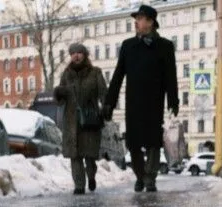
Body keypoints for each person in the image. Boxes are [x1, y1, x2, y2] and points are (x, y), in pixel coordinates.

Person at [103, 4, 179, 192]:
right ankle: (140, 175)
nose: (136, 22)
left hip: (154, 102)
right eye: (136, 19)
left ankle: (150, 177)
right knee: (134, 143)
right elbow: (118, 75)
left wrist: (173, 102)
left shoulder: (165, 47)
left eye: (140, 18)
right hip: (133, 102)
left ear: (151, 22)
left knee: (153, 142)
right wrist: (109, 102)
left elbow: (171, 76)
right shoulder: (128, 46)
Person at [54, 43, 107, 195]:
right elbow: (60, 100)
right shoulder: (66, 74)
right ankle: (79, 185)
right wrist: (59, 94)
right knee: (75, 156)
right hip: (71, 121)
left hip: (90, 120)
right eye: (73, 53)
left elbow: (103, 92)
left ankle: (91, 176)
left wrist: (105, 108)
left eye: (79, 53)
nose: (76, 56)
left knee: (89, 156)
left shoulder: (95, 72)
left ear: (85, 55)